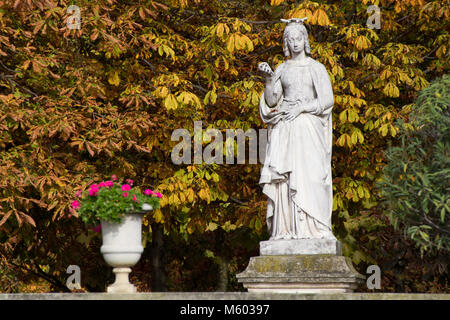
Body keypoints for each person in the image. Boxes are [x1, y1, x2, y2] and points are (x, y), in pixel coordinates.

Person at [258, 18, 335, 240]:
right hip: (286, 128)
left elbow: (327, 100)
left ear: (305, 39)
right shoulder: (282, 68)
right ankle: (286, 229)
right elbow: (272, 102)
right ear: (286, 42)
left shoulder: (316, 68)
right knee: (284, 179)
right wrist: (268, 80)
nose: (295, 43)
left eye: (298, 38)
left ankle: (316, 226)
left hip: (309, 129)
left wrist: (302, 107)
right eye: (290, 39)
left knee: (311, 177)